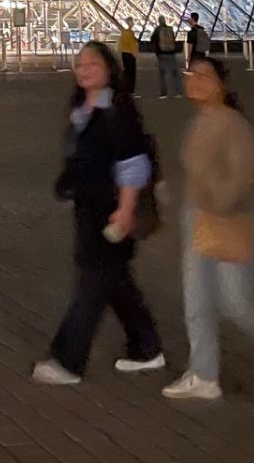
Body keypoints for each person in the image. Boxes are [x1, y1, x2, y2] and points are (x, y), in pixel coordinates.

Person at [160, 55, 254, 403]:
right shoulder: (200, 121)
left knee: (240, 304)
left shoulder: (232, 122)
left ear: (222, 84)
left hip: (228, 218)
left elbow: (243, 175)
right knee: (197, 301)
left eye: (204, 76)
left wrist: (217, 204)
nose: (194, 80)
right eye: (190, 74)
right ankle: (203, 374)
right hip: (198, 216)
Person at [33, 40, 162, 386]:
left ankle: (67, 360)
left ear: (109, 70)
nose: (84, 69)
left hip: (111, 211)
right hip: (88, 208)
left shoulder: (117, 111)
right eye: (79, 64)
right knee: (115, 281)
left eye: (92, 63)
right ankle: (146, 346)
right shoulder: (82, 110)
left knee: (91, 284)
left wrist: (126, 210)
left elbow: (134, 164)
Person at [150, 17, 183, 99]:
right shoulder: (170, 29)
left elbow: (152, 40)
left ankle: (163, 93)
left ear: (159, 21)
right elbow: (173, 40)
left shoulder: (157, 30)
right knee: (174, 73)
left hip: (161, 54)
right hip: (171, 53)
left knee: (162, 74)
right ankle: (177, 92)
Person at [117, 21, 140, 94]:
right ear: (129, 23)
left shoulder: (123, 32)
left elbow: (120, 43)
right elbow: (132, 45)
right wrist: (135, 54)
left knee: (126, 72)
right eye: (132, 22)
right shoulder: (130, 33)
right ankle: (131, 89)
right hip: (130, 54)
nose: (133, 23)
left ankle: (125, 88)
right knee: (132, 73)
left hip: (124, 53)